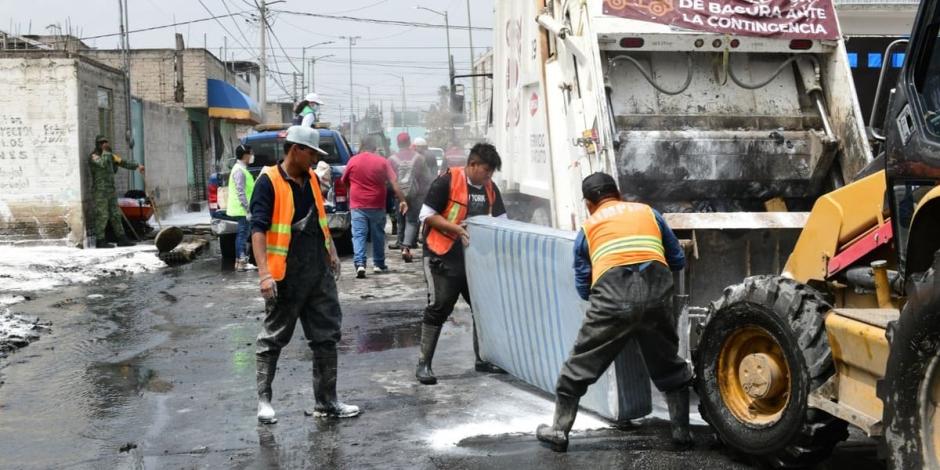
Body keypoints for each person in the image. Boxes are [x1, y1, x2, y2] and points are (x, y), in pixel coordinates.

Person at [535, 172, 692, 452]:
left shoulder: (588, 227)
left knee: (580, 363)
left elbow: (584, 285)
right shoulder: (649, 213)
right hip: (657, 294)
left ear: (588, 203)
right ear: (617, 193)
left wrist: (611, 309)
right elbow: (677, 260)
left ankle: (558, 430)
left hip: (612, 299)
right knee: (668, 362)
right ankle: (681, 431)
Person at [250, 126, 359, 424]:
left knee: (326, 336)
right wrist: (264, 274)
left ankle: (327, 402)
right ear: (295, 149)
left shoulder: (311, 179)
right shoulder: (268, 182)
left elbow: (319, 220)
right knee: (273, 338)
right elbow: (257, 230)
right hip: (285, 275)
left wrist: (332, 252)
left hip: (317, 272)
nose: (314, 159)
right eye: (311, 152)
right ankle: (264, 401)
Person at [414, 142, 508, 385]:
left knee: (482, 308)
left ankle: (483, 358)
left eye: (491, 173)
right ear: (473, 164)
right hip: (441, 255)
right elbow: (426, 215)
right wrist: (455, 228)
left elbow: (501, 220)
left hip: (474, 260)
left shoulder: (490, 188)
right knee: (439, 307)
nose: (489, 176)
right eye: (486, 170)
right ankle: (424, 364)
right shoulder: (447, 181)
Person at [340, 136, 408, 279]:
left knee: (359, 235)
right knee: (378, 234)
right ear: (374, 148)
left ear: (361, 146)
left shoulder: (353, 161)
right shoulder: (382, 161)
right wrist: (402, 200)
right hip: (377, 203)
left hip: (357, 204)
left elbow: (344, 181)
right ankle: (378, 264)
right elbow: (394, 182)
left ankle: (360, 264)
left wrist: (351, 193)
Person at [88, 134, 144, 249]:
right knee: (102, 215)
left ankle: (122, 239)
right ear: (97, 144)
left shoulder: (110, 155)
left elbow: (123, 162)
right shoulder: (94, 156)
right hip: (100, 192)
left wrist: (137, 166)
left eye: (105, 142)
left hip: (111, 190)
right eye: (101, 143)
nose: (104, 144)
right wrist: (106, 152)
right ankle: (100, 240)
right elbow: (102, 164)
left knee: (115, 215)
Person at [388, 132, 432, 262]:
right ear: (409, 142)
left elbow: (388, 180)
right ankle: (406, 247)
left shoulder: (391, 159)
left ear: (398, 143)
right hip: (415, 194)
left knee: (401, 220)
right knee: (412, 221)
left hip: (398, 194)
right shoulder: (419, 158)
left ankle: (401, 245)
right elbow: (426, 178)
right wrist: (423, 194)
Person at [227, 144, 256, 271]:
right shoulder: (239, 170)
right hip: (242, 209)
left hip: (243, 209)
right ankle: (241, 262)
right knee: (242, 235)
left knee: (243, 234)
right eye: (251, 153)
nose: (252, 156)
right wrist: (248, 209)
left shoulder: (242, 168)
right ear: (245, 155)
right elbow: (241, 191)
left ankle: (241, 261)